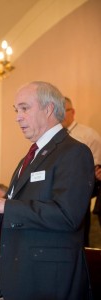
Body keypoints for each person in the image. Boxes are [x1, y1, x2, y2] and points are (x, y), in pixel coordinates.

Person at [0, 81, 95, 300]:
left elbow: (68, 216)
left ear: (48, 109)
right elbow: (12, 214)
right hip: (21, 277)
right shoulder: (28, 158)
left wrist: (5, 205)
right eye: (16, 110)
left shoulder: (74, 152)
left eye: (24, 108)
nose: (17, 117)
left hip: (49, 281)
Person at [62, 96, 101, 246]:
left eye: (64, 111)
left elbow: (97, 166)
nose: (61, 115)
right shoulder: (54, 136)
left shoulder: (88, 134)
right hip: (58, 192)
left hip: (80, 193)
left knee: (80, 238)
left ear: (73, 112)